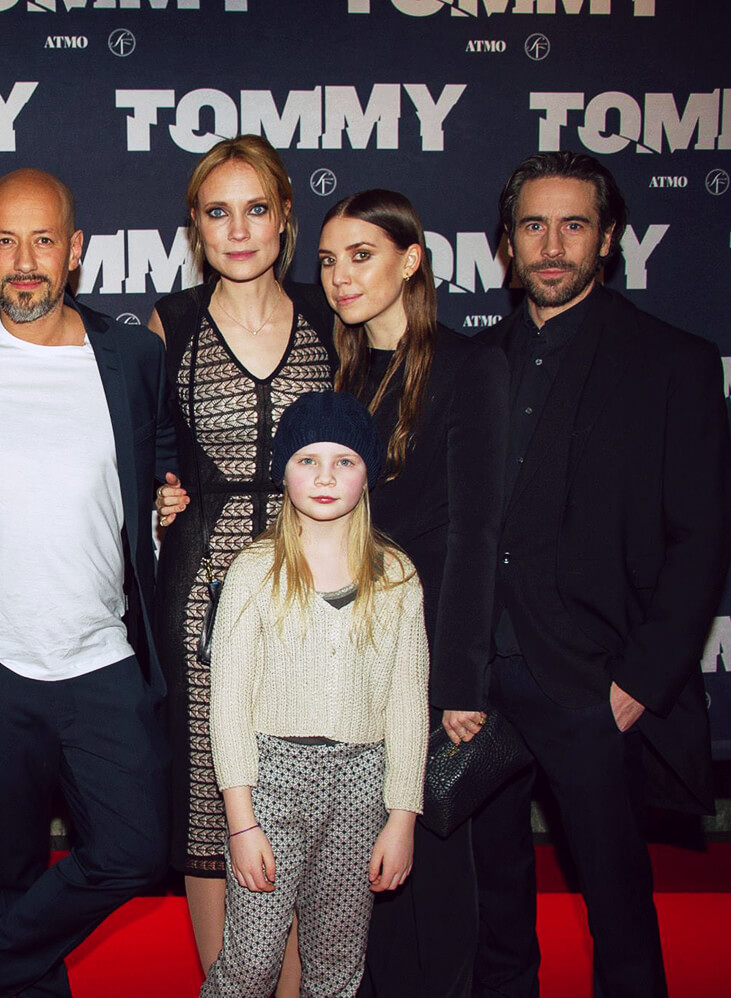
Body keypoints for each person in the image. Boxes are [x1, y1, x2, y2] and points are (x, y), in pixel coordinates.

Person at [470, 151, 731, 998]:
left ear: (608, 238)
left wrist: (642, 679)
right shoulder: (472, 363)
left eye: (574, 225)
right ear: (506, 245)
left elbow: (701, 535)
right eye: (534, 226)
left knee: (619, 908)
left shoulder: (671, 362)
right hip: (477, 682)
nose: (553, 246)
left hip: (593, 684)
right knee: (491, 897)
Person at [0, 167, 175, 998]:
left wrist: (169, 496)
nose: (24, 261)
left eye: (42, 240)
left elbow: (161, 456)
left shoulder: (132, 354)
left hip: (100, 655)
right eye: (5, 240)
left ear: (75, 250)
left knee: (138, 849)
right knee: (10, 877)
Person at [145, 135, 336, 992]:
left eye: (256, 208)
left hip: (314, 591)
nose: (239, 229)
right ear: (196, 227)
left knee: (295, 804)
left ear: (285, 217)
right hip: (203, 600)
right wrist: (157, 498)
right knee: (207, 807)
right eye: (218, 212)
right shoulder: (170, 324)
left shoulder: (333, 317)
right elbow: (135, 457)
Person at [315, 189, 506, 998]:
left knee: (431, 870)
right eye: (328, 261)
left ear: (412, 259)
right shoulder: (349, 374)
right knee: (367, 868)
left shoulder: (467, 367)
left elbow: (475, 535)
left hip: (425, 663)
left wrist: (460, 682)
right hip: (353, 658)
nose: (341, 277)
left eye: (362, 256)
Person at [200, 389, 428, 998]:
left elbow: (408, 707)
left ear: (368, 475)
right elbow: (228, 704)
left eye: (344, 461)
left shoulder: (399, 577)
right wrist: (241, 823)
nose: (325, 476)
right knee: (250, 964)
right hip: (270, 782)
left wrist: (402, 817)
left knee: (336, 966)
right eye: (308, 459)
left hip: (362, 784)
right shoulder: (252, 570)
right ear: (283, 471)